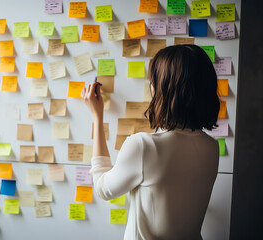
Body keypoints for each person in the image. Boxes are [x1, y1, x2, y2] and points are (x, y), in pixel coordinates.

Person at [81, 44, 220, 240]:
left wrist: (97, 116)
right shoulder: (211, 147)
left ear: (163, 88)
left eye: (153, 81)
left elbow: (103, 189)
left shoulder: (145, 146)